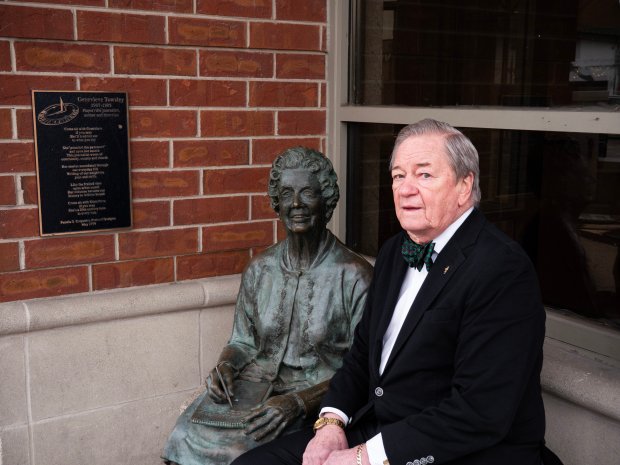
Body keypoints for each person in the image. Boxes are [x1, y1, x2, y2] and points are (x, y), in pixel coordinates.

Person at [231, 119, 551, 465]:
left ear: (464, 185)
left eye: (424, 175)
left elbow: (479, 411)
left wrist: (364, 457)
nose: (406, 189)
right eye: (399, 176)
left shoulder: (501, 269)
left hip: (456, 452)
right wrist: (331, 423)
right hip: (376, 428)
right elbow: (362, 353)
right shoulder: (395, 251)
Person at [162, 147, 373, 465]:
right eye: (287, 194)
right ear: (277, 202)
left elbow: (364, 369)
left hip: (317, 396)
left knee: (239, 453)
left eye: (307, 193)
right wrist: (226, 366)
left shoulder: (355, 276)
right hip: (254, 387)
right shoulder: (260, 269)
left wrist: (299, 402)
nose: (297, 204)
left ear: (326, 200)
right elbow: (241, 342)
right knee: (182, 436)